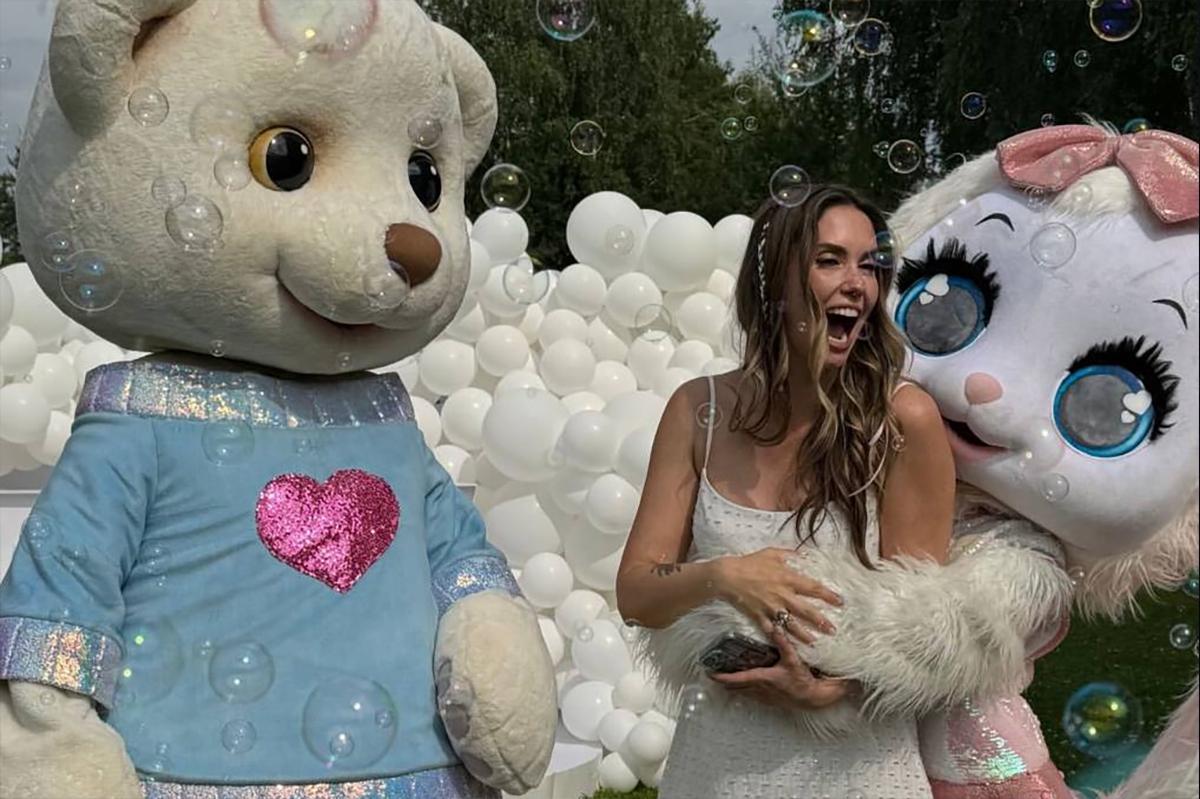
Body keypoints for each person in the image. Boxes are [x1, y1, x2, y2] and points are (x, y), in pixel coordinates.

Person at [616, 185, 956, 798]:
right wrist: (725, 576)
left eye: (869, 266)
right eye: (829, 260)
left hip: (857, 771)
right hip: (715, 769)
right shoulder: (698, 410)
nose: (857, 284)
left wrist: (830, 693)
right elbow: (637, 592)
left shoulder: (903, 420)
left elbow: (923, 629)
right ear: (773, 282)